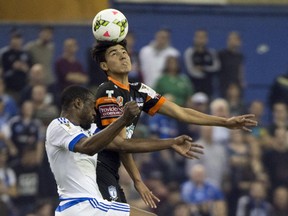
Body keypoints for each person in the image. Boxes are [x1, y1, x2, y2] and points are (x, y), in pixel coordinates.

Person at [91, 40, 257, 208]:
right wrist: (170, 143)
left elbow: (181, 112)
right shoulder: (108, 91)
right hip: (95, 166)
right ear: (104, 65)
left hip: (111, 167)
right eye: (114, 53)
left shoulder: (140, 90)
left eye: (124, 51)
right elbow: (120, 144)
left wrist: (224, 122)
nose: (122, 55)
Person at [46, 85, 203, 216]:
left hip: (82, 207)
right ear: (78, 103)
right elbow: (88, 147)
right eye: (91, 105)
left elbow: (123, 145)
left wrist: (171, 143)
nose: (95, 112)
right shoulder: (59, 125)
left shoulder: (89, 131)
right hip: (83, 205)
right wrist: (123, 119)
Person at [184, 29, 220, 98]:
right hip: (194, 87)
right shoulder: (189, 52)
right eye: (198, 37)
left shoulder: (211, 53)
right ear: (194, 38)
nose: (200, 40)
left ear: (206, 39)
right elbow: (191, 70)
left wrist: (203, 68)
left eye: (202, 37)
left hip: (209, 87)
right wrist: (206, 74)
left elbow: (216, 67)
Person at [218, 31, 245, 98]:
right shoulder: (222, 54)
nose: (233, 41)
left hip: (237, 84)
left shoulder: (240, 56)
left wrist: (241, 80)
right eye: (231, 39)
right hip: (224, 84)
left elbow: (240, 68)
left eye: (235, 39)